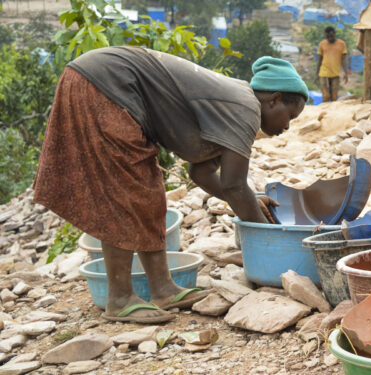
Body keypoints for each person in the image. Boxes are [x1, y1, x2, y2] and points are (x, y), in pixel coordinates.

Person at [34, 47, 308, 324]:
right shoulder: (245, 107)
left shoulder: (235, 102)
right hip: (106, 84)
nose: (288, 126)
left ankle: (163, 289)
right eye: (291, 116)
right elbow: (235, 185)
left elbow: (201, 172)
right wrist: (268, 237)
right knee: (124, 191)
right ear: (274, 100)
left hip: (105, 82)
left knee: (149, 192)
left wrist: (253, 198)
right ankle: (119, 298)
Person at [315, 26, 349, 102]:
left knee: (334, 97)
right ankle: (324, 112)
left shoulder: (341, 44)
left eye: (331, 36)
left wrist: (345, 73)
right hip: (324, 73)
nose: (330, 38)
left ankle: (332, 113)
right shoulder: (322, 44)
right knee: (326, 96)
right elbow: (320, 60)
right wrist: (316, 74)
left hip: (335, 74)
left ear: (334, 34)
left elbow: (343, 59)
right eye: (328, 36)